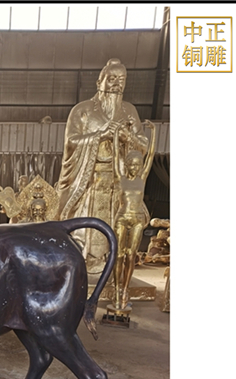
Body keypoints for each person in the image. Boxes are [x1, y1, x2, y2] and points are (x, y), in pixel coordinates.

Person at [56, 58, 148, 272]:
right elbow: (71, 142)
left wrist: (127, 138)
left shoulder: (129, 111)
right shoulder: (83, 110)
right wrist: (100, 135)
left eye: (121, 80)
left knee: (117, 228)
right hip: (88, 179)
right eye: (111, 79)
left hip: (118, 181)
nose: (116, 84)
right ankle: (81, 264)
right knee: (83, 229)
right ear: (100, 82)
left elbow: (143, 145)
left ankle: (111, 267)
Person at [112, 120, 156, 311]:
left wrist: (153, 132)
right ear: (128, 164)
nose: (136, 168)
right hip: (122, 218)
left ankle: (125, 290)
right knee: (118, 255)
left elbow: (151, 155)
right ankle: (116, 290)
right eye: (133, 164)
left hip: (137, 218)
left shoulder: (142, 178)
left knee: (131, 255)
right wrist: (116, 133)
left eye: (139, 165)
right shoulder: (120, 178)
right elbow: (116, 156)